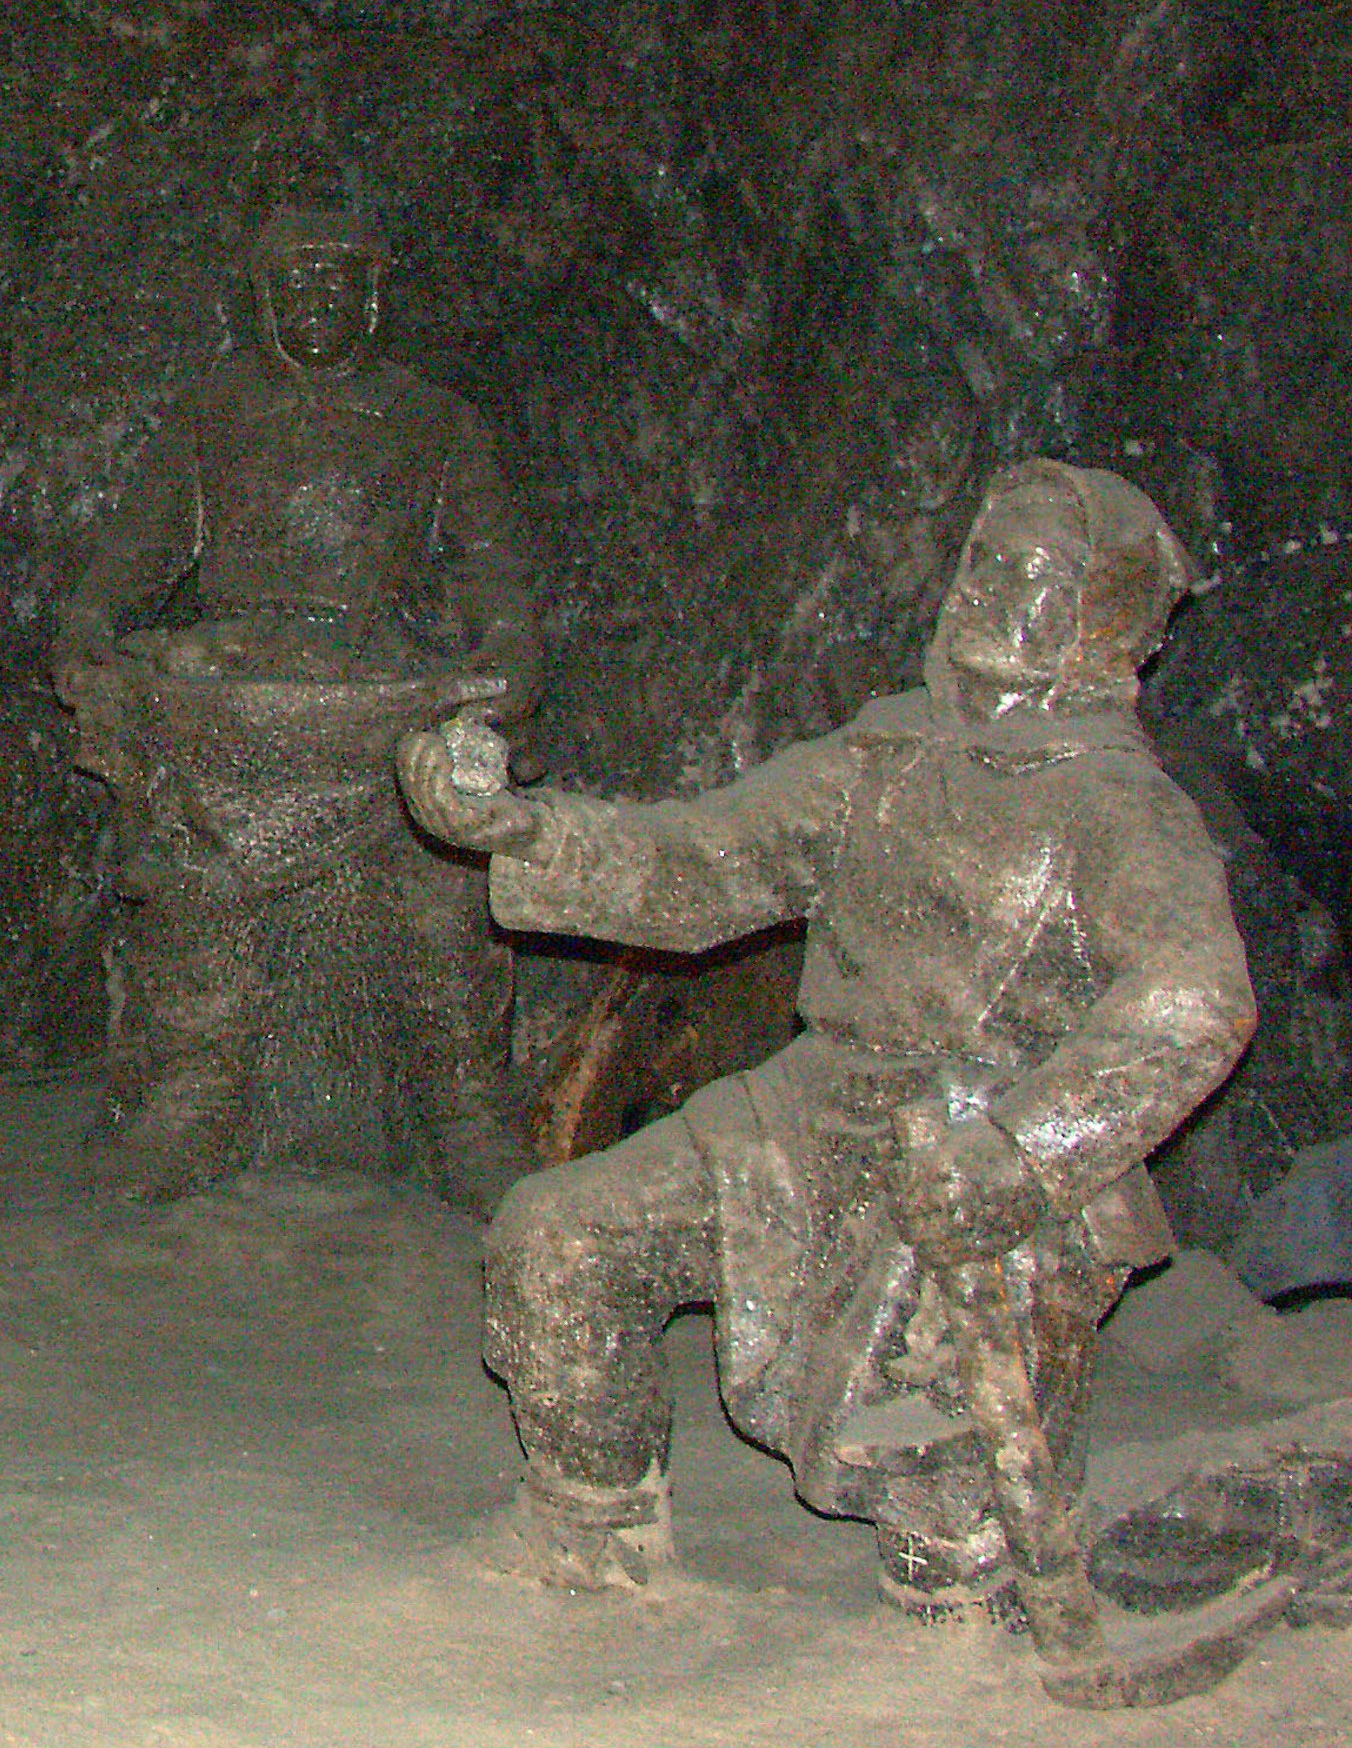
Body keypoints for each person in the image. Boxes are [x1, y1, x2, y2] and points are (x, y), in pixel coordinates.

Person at [398, 459, 1255, 1618]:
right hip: (813, 1114)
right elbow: (706, 863)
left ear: (1102, 616)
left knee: (941, 1532)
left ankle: (969, 1587)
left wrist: (1019, 1156)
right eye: (981, 558)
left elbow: (1192, 1002)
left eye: (1034, 573)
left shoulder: (1118, 808)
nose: (986, 588)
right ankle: (590, 1527)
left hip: (976, 1159)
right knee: (560, 1238)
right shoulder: (887, 760)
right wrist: (523, 827)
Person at [54, 198, 540, 1205]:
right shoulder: (214, 415)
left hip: (372, 678)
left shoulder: (434, 424)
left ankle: (462, 1102)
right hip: (239, 683)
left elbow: (492, 575)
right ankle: (196, 1087)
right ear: (260, 300)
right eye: (294, 280)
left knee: (439, 854)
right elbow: (139, 552)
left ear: (374, 296)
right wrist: (90, 619)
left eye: (337, 277)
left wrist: (506, 654)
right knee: (200, 855)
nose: (316, 297)